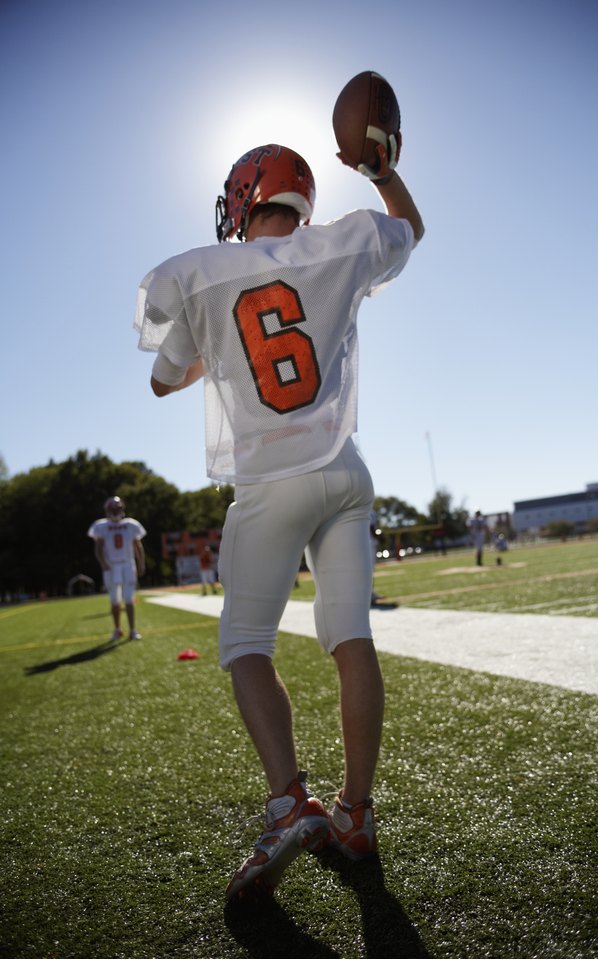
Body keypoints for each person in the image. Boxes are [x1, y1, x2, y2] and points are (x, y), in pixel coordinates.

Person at [135, 138, 423, 900]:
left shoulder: (199, 272)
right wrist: (384, 173)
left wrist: (211, 344)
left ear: (243, 197)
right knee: (350, 638)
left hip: (272, 481)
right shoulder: (343, 244)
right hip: (345, 470)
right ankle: (357, 815)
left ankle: (289, 799)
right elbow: (410, 227)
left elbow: (163, 381)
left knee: (245, 644)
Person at [88, 497, 146, 641]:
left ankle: (132, 630)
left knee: (129, 599)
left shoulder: (131, 524)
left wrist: (141, 563)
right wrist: (103, 563)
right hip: (111, 566)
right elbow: (98, 548)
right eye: (113, 509)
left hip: (127, 564)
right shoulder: (101, 526)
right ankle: (117, 629)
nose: (116, 511)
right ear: (108, 510)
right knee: (115, 601)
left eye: (118, 508)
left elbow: (138, 546)